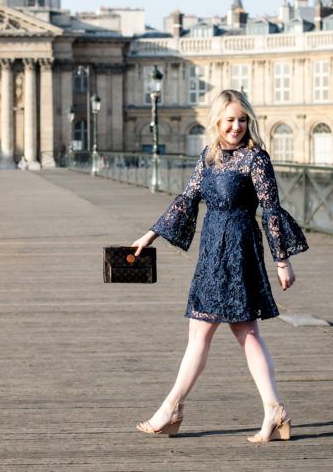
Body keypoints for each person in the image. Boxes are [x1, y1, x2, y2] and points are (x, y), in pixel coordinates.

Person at [131, 89, 308, 442]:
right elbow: (187, 199)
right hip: (211, 251)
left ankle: (176, 408)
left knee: (245, 332)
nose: (236, 127)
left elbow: (271, 210)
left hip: (240, 250)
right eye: (230, 120)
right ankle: (268, 410)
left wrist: (282, 260)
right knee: (205, 332)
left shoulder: (256, 158)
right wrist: (150, 235)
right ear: (217, 121)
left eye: (242, 120)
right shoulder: (209, 156)